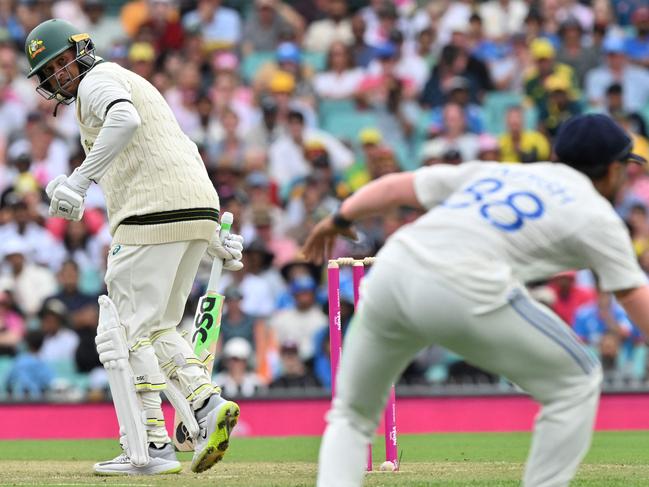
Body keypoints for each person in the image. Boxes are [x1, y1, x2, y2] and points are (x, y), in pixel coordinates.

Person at [302, 113, 649, 487]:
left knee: (351, 417)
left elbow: (396, 187)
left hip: (391, 271)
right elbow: (631, 294)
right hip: (462, 288)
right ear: (613, 169)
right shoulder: (597, 215)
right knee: (577, 382)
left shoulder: (501, 172)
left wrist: (339, 218)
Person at [23, 19, 245, 475]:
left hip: (150, 213)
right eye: (49, 71)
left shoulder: (98, 81)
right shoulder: (132, 79)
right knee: (160, 326)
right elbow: (179, 146)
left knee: (124, 332)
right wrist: (211, 231)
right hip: (194, 207)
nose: (57, 76)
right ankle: (206, 403)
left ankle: (151, 447)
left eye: (61, 63)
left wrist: (80, 182)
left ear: (81, 52)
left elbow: (126, 119)